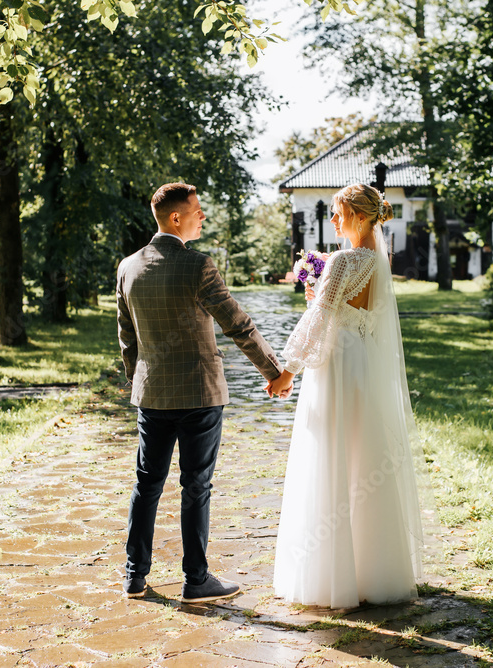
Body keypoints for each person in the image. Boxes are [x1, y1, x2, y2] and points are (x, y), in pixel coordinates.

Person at [117, 182, 293, 603]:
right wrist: (275, 372)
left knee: (147, 484)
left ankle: (134, 576)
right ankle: (196, 581)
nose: (202, 216)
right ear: (176, 217)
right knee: (196, 485)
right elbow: (237, 324)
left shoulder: (128, 266)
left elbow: (127, 338)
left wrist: (139, 379)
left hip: (152, 395)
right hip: (199, 395)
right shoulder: (198, 266)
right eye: (197, 210)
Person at [266, 183, 424, 608]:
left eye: (338, 213)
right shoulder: (378, 262)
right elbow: (347, 311)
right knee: (364, 458)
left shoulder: (344, 260)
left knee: (332, 454)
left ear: (357, 214)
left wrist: (287, 371)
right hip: (365, 369)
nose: (333, 221)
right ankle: (376, 573)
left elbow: (320, 321)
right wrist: (319, 292)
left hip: (336, 368)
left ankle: (331, 576)